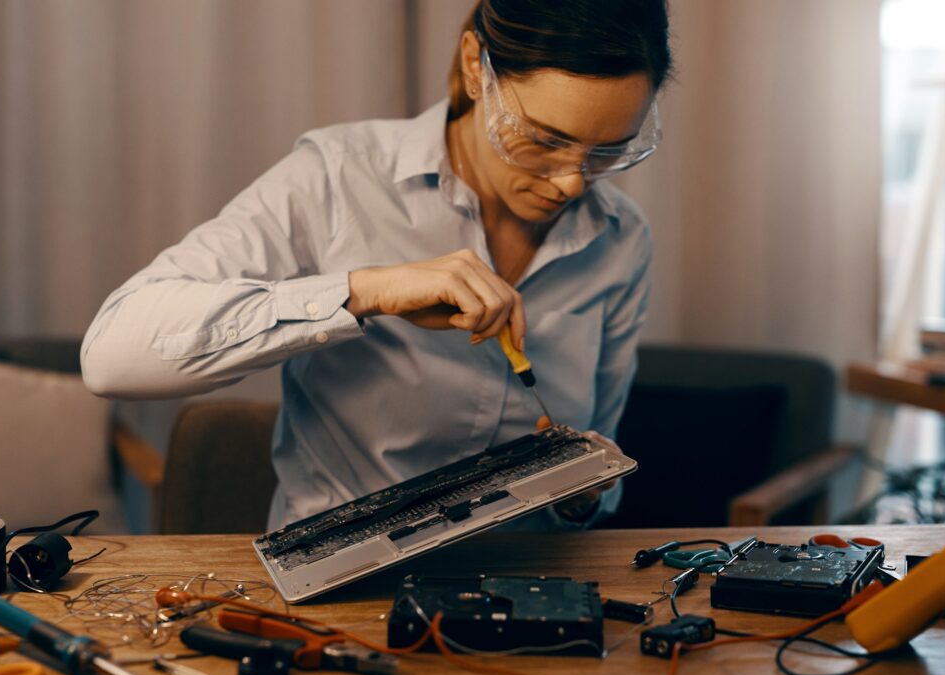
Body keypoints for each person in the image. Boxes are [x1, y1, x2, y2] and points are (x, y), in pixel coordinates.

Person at [82, 0, 672, 530]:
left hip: (531, 591)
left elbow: (600, 469)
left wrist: (580, 494)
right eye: (543, 139)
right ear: (476, 68)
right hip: (345, 590)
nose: (572, 182)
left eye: (607, 150)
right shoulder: (336, 180)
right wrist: (365, 291)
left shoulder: (621, 241)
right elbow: (112, 358)